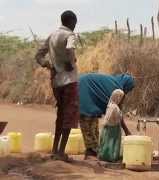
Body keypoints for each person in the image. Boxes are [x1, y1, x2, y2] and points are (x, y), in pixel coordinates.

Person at [35, 10, 79, 162]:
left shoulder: (52, 35)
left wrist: (47, 64)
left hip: (56, 81)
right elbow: (70, 50)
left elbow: (38, 55)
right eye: (75, 22)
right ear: (72, 21)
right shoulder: (70, 35)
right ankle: (61, 152)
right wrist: (71, 63)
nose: (75, 24)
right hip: (69, 80)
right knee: (69, 115)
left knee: (61, 113)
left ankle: (54, 150)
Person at [79, 73, 135, 160]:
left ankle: (92, 152)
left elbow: (116, 111)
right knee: (88, 121)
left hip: (86, 87)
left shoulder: (115, 83)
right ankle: (90, 153)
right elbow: (117, 112)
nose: (127, 93)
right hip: (83, 89)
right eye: (128, 90)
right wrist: (126, 131)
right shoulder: (116, 88)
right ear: (126, 85)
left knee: (93, 125)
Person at [98, 89, 131, 162]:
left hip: (113, 128)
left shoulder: (114, 106)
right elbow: (109, 119)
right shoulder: (113, 107)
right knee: (110, 144)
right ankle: (109, 158)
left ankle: (110, 157)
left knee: (112, 144)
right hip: (110, 128)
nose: (123, 101)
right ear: (118, 98)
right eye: (122, 99)